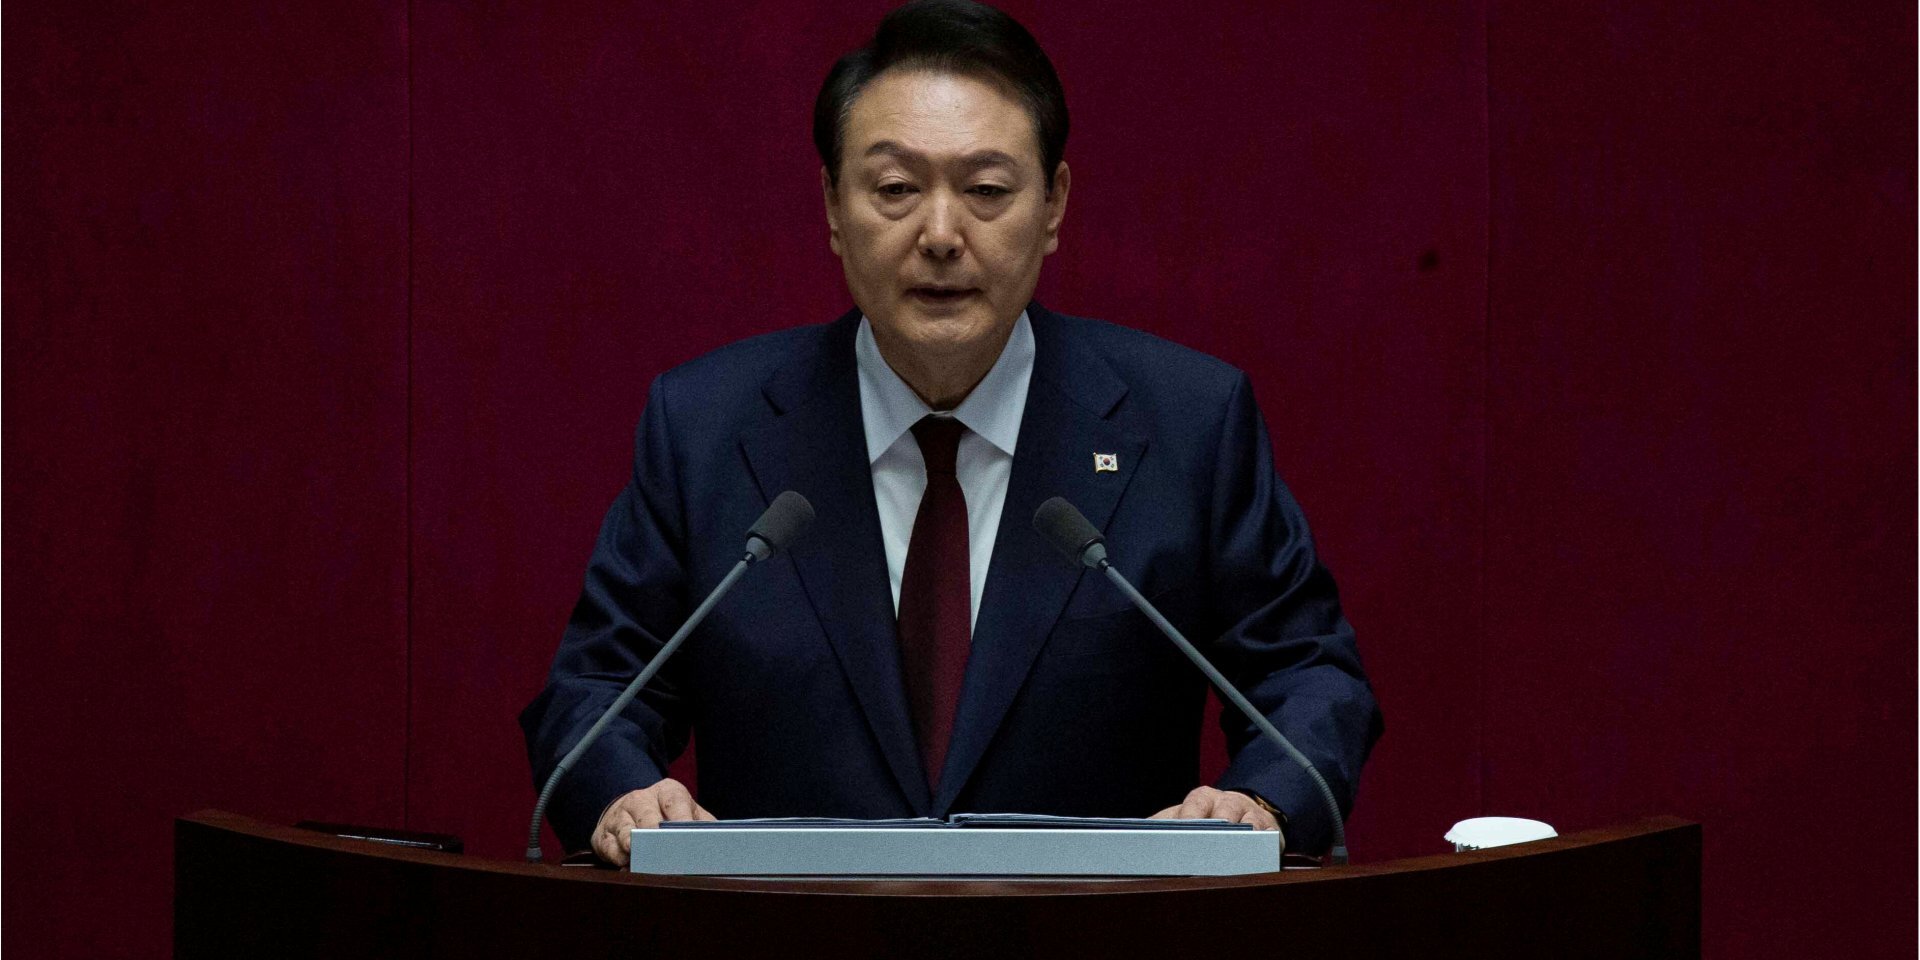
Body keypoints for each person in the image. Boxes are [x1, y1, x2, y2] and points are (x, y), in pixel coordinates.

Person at [520, 0, 1383, 866]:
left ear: (1053, 205)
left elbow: (1308, 677)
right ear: (832, 206)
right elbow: (597, 690)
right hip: (787, 923)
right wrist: (625, 792)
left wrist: (1259, 800)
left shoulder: (1188, 423)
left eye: (987, 191)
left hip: (1102, 925)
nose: (940, 235)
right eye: (896, 189)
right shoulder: (707, 427)